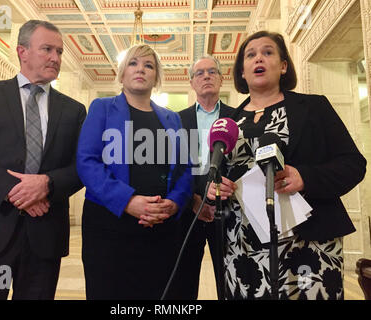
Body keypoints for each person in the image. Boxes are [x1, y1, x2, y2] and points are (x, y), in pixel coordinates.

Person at [206, 30, 366, 299]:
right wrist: (214, 188)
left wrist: (305, 177)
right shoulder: (227, 122)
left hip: (308, 245)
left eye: (268, 52)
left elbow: (353, 164)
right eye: (251, 54)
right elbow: (216, 177)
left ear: (283, 66)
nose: (259, 58)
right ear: (242, 72)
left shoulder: (314, 108)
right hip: (242, 249)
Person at [0, 20, 87, 300]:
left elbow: (82, 167)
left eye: (59, 51)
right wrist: (16, 190)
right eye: (47, 49)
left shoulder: (74, 110)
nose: (55, 58)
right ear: (22, 51)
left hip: (44, 237)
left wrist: (46, 184)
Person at [76, 44, 192, 300]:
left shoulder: (172, 119)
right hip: (109, 226)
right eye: (133, 63)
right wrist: (127, 201)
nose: (141, 69)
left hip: (161, 227)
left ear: (156, 77)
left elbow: (185, 168)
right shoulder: (102, 107)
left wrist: (174, 203)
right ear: (121, 74)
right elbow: (87, 161)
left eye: (149, 65)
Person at [170, 55, 235, 299]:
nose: (206, 76)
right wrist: (194, 199)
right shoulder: (175, 120)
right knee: (183, 285)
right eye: (200, 73)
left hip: (229, 213)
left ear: (221, 78)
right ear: (191, 82)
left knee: (229, 281)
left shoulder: (238, 116)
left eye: (212, 72)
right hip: (187, 212)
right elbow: (171, 168)